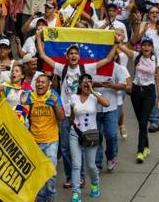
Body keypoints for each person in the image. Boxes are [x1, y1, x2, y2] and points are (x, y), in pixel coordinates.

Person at [36, 31, 118, 188]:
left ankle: (80, 176)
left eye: (76, 53)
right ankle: (71, 176)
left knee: (81, 146)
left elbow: (107, 59)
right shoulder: (62, 69)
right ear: (67, 56)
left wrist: (116, 43)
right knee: (66, 147)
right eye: (70, 53)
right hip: (65, 114)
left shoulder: (85, 68)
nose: (73, 55)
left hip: (82, 114)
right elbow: (43, 56)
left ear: (79, 56)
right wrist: (39, 37)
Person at [118, 36, 159, 163]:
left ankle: (140, 151)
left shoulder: (156, 61)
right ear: (141, 47)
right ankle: (147, 146)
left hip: (149, 92)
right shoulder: (136, 56)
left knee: (144, 122)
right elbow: (121, 47)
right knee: (141, 123)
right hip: (136, 91)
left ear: (152, 47)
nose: (146, 47)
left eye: (149, 45)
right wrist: (117, 40)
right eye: (144, 45)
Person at [68, 74, 110, 202]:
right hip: (76, 134)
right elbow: (71, 116)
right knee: (76, 164)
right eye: (84, 83)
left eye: (89, 82)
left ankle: (95, 183)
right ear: (80, 84)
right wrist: (75, 127)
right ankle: (76, 193)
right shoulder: (73, 97)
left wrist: (93, 91)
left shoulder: (94, 96)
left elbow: (107, 104)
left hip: (91, 135)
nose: (87, 85)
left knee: (91, 165)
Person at [25, 74, 64, 202]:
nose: (40, 84)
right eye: (38, 82)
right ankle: (41, 201)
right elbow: (22, 116)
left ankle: (51, 196)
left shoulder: (53, 96)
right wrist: (23, 104)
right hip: (35, 141)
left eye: (43, 82)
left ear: (48, 85)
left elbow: (61, 118)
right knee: (39, 174)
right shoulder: (30, 97)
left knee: (51, 173)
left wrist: (56, 104)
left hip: (51, 140)